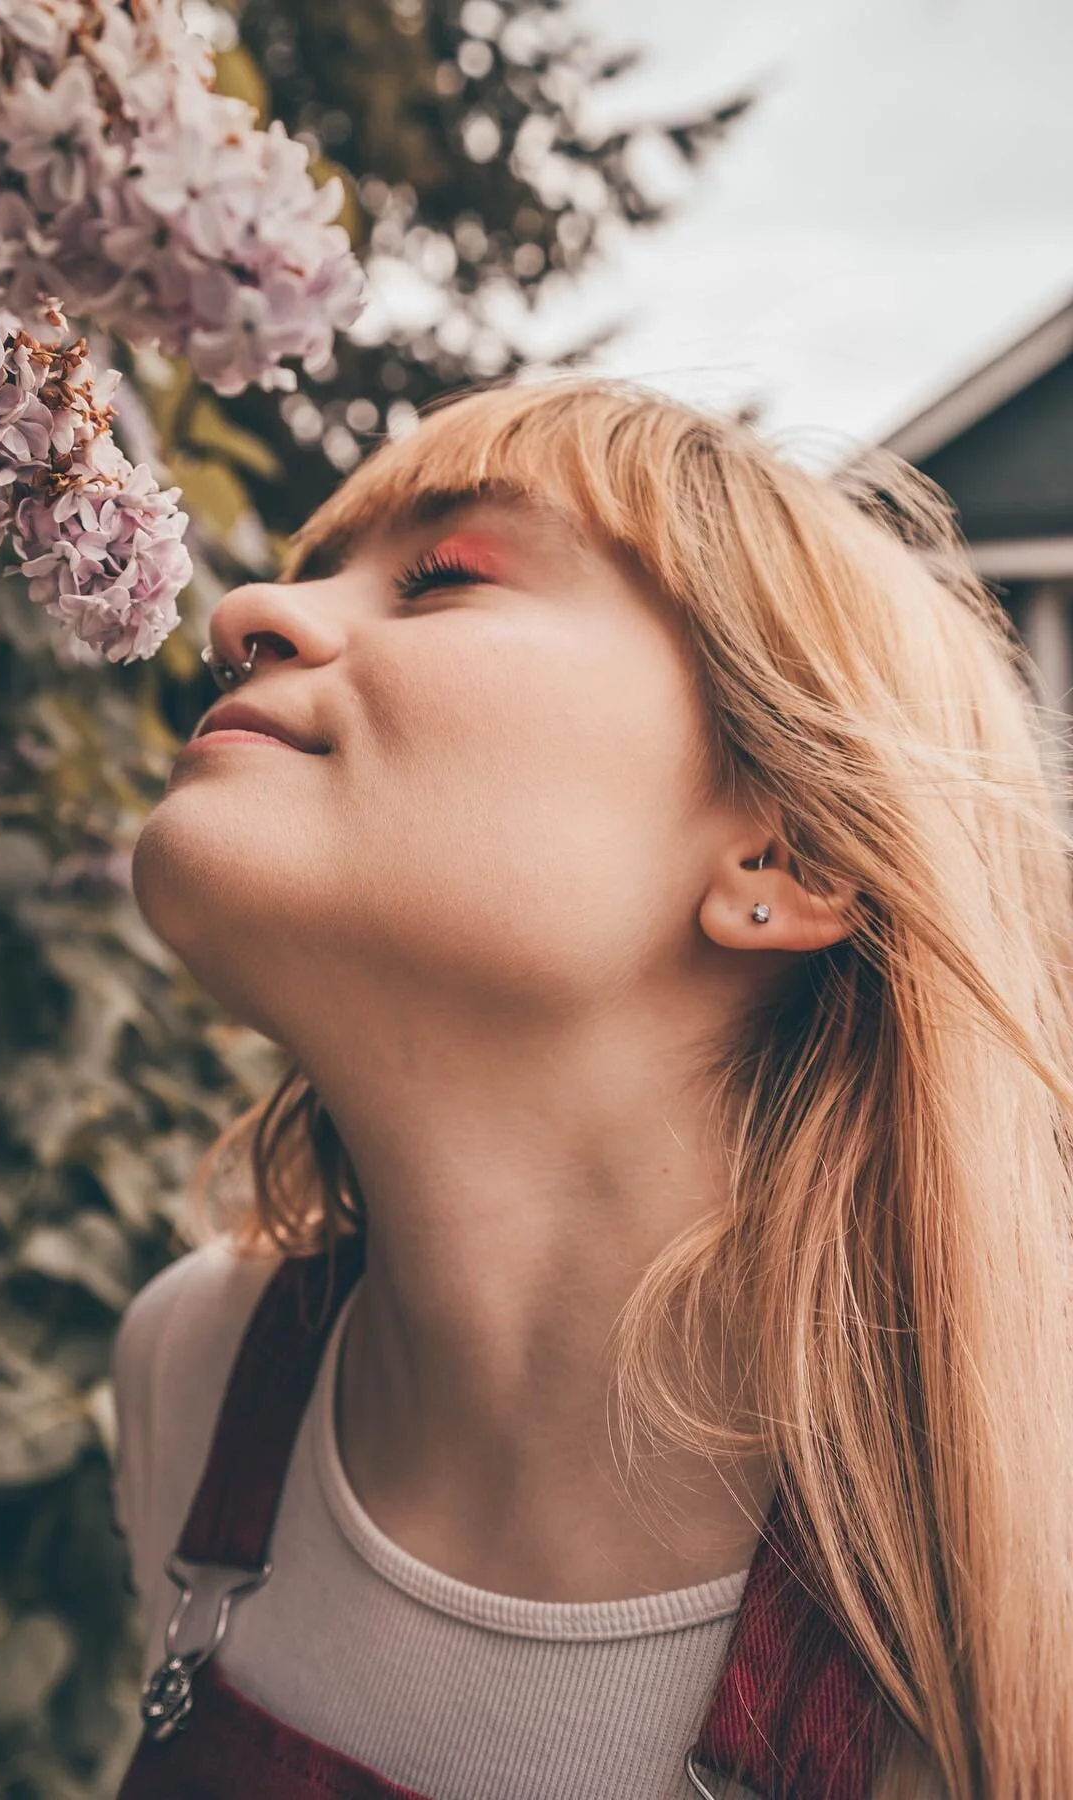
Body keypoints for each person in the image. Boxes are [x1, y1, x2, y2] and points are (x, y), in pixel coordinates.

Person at [109, 377, 1073, 1800]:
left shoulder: (1018, 1565)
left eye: (442, 576)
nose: (245, 611)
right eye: (316, 570)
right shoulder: (193, 1367)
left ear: (784, 858)